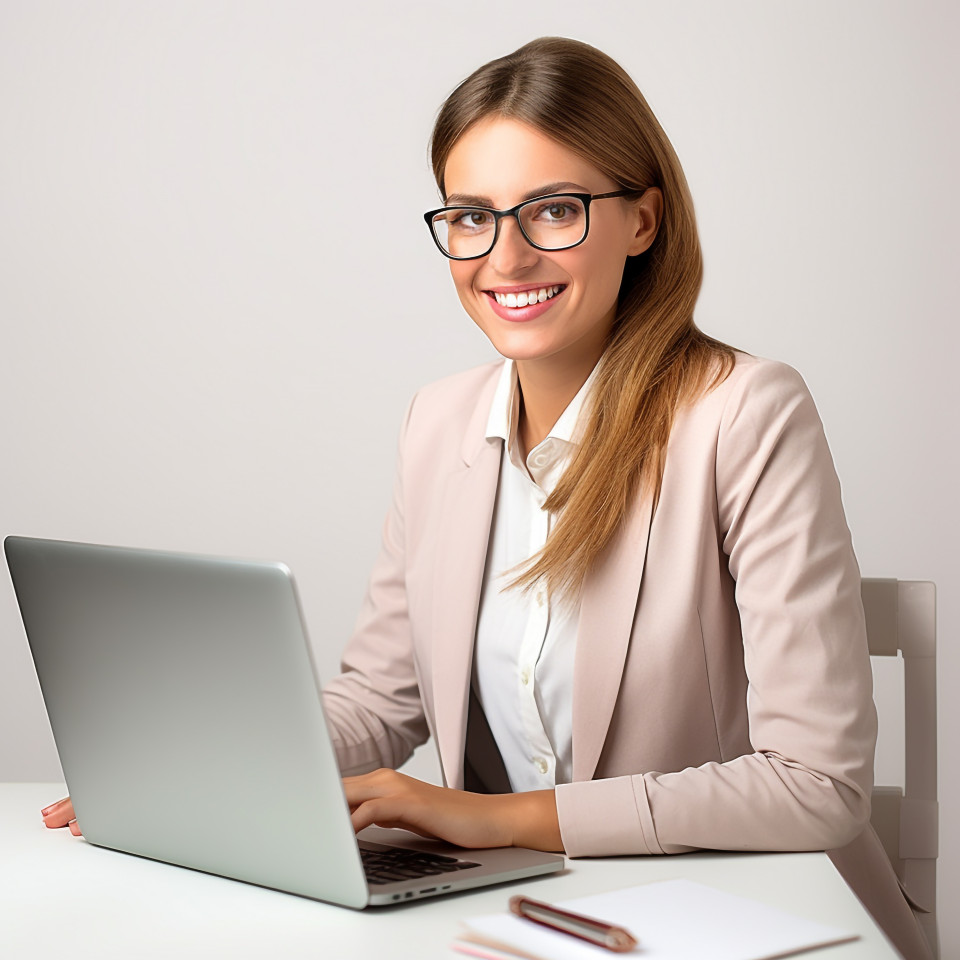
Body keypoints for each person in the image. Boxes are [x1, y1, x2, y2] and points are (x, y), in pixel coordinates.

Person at [41, 37, 931, 959]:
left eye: (554, 210)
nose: (505, 257)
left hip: (738, 917)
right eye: (471, 217)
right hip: (525, 918)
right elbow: (381, 704)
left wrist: (496, 818)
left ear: (643, 220)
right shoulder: (439, 422)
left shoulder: (743, 411)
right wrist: (192, 771)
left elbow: (816, 784)